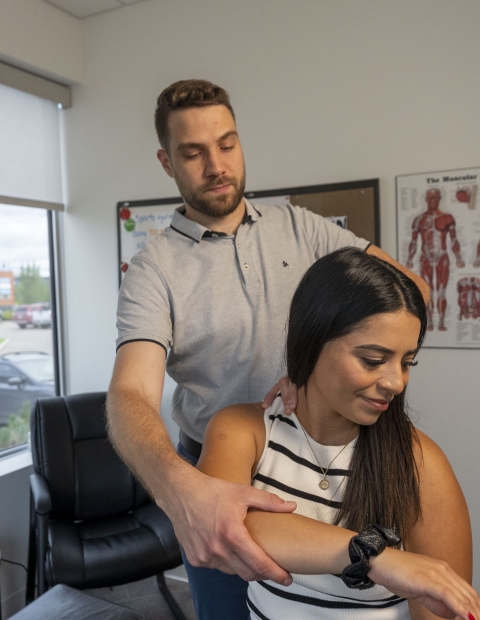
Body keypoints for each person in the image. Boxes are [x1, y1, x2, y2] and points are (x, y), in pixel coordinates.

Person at [106, 79, 430, 620]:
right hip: (219, 472)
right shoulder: (153, 270)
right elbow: (130, 393)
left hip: (326, 454)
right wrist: (180, 489)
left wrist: (312, 367)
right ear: (167, 162)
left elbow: (410, 291)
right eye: (193, 152)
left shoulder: (302, 228)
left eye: (227, 144)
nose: (216, 165)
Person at [197, 247, 479, 620]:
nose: (396, 382)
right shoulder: (242, 431)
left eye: (407, 362)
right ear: (311, 342)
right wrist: (375, 557)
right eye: (373, 360)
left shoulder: (421, 465)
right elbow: (223, 522)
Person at [406, 188, 464, 331]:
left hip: (442, 257)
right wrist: (409, 259)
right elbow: (413, 242)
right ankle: (430, 322)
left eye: (435, 198)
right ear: (426, 200)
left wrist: (458, 258)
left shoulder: (447, 218)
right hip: (425, 258)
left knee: (442, 291)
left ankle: (442, 322)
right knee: (428, 291)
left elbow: (454, 239)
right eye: (430, 198)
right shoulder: (419, 219)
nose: (432, 201)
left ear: (439, 199)